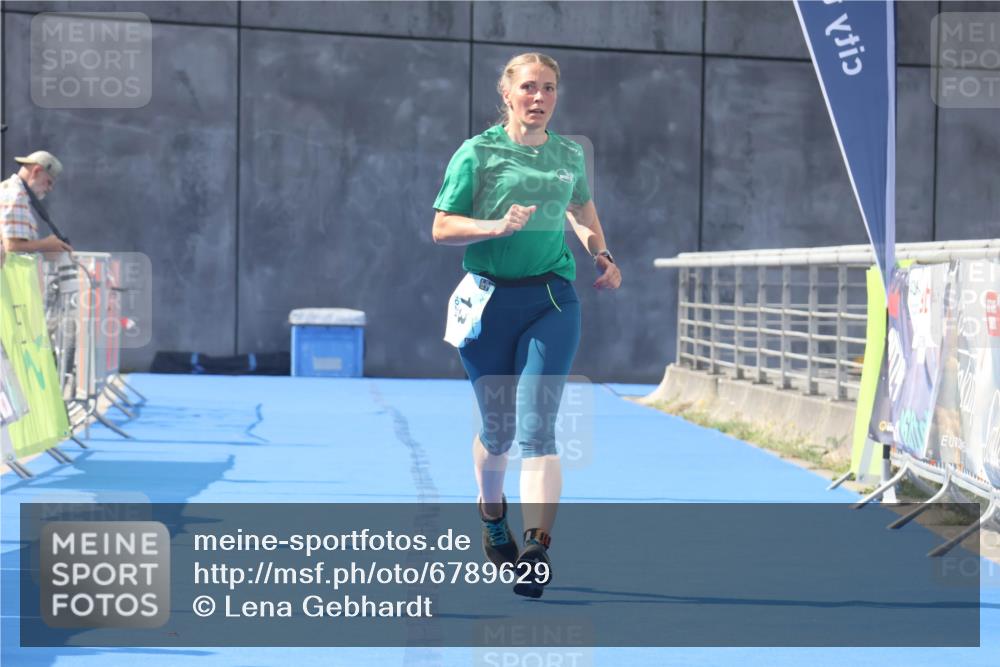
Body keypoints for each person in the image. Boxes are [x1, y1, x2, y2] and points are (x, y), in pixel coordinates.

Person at [432, 52, 622, 598]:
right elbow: (442, 227)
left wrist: (601, 253)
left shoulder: (568, 153)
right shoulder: (478, 152)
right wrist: (496, 226)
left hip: (551, 299)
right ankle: (492, 512)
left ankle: (536, 547)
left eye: (549, 88)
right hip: (488, 303)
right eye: (529, 88)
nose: (539, 98)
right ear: (508, 93)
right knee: (498, 431)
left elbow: (581, 209)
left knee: (538, 428)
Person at [0, 150, 73, 257]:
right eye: (48, 182)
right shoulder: (17, 195)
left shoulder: (10, 190)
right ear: (36, 171)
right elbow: (11, 247)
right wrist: (46, 245)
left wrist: (46, 252)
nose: (50, 189)